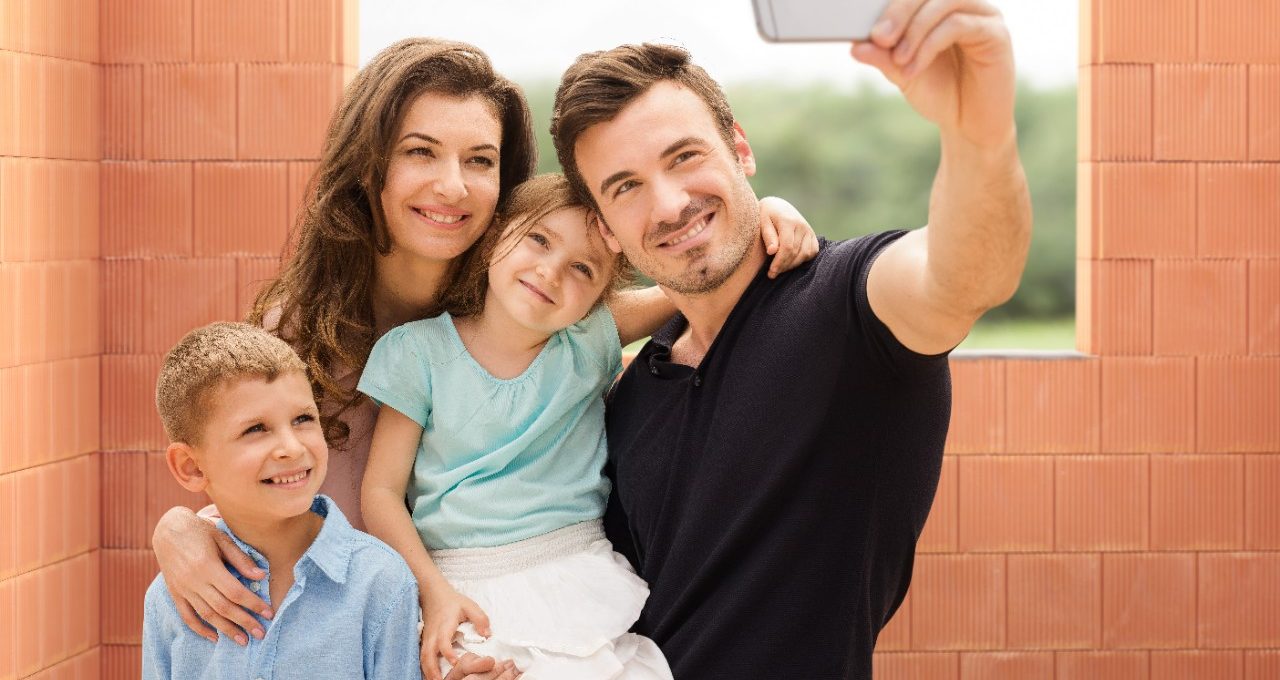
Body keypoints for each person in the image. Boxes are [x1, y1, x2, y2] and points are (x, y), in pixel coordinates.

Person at [148, 37, 817, 680]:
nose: (452, 186)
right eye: (420, 151)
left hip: (539, 613)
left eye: (479, 160)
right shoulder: (297, 336)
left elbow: (675, 274)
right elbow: (262, 489)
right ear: (368, 165)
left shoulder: (550, 311)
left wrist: (763, 215)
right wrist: (183, 525)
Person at [533, 1, 1033, 677]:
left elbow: (964, 274)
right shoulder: (628, 398)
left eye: (685, 157)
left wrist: (979, 133)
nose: (671, 203)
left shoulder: (847, 309)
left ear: (740, 147)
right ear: (604, 225)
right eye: (627, 187)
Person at [362, 173, 685, 680]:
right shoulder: (417, 352)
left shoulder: (589, 339)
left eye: (583, 268)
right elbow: (380, 491)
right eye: (539, 239)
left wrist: (767, 213)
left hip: (578, 573)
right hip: (460, 586)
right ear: (495, 238)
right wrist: (434, 592)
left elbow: (695, 277)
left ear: (600, 294)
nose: (550, 272)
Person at [144, 322, 422, 680]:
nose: (292, 448)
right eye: (255, 429)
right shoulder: (170, 598)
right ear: (191, 467)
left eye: (304, 418)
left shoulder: (380, 582)